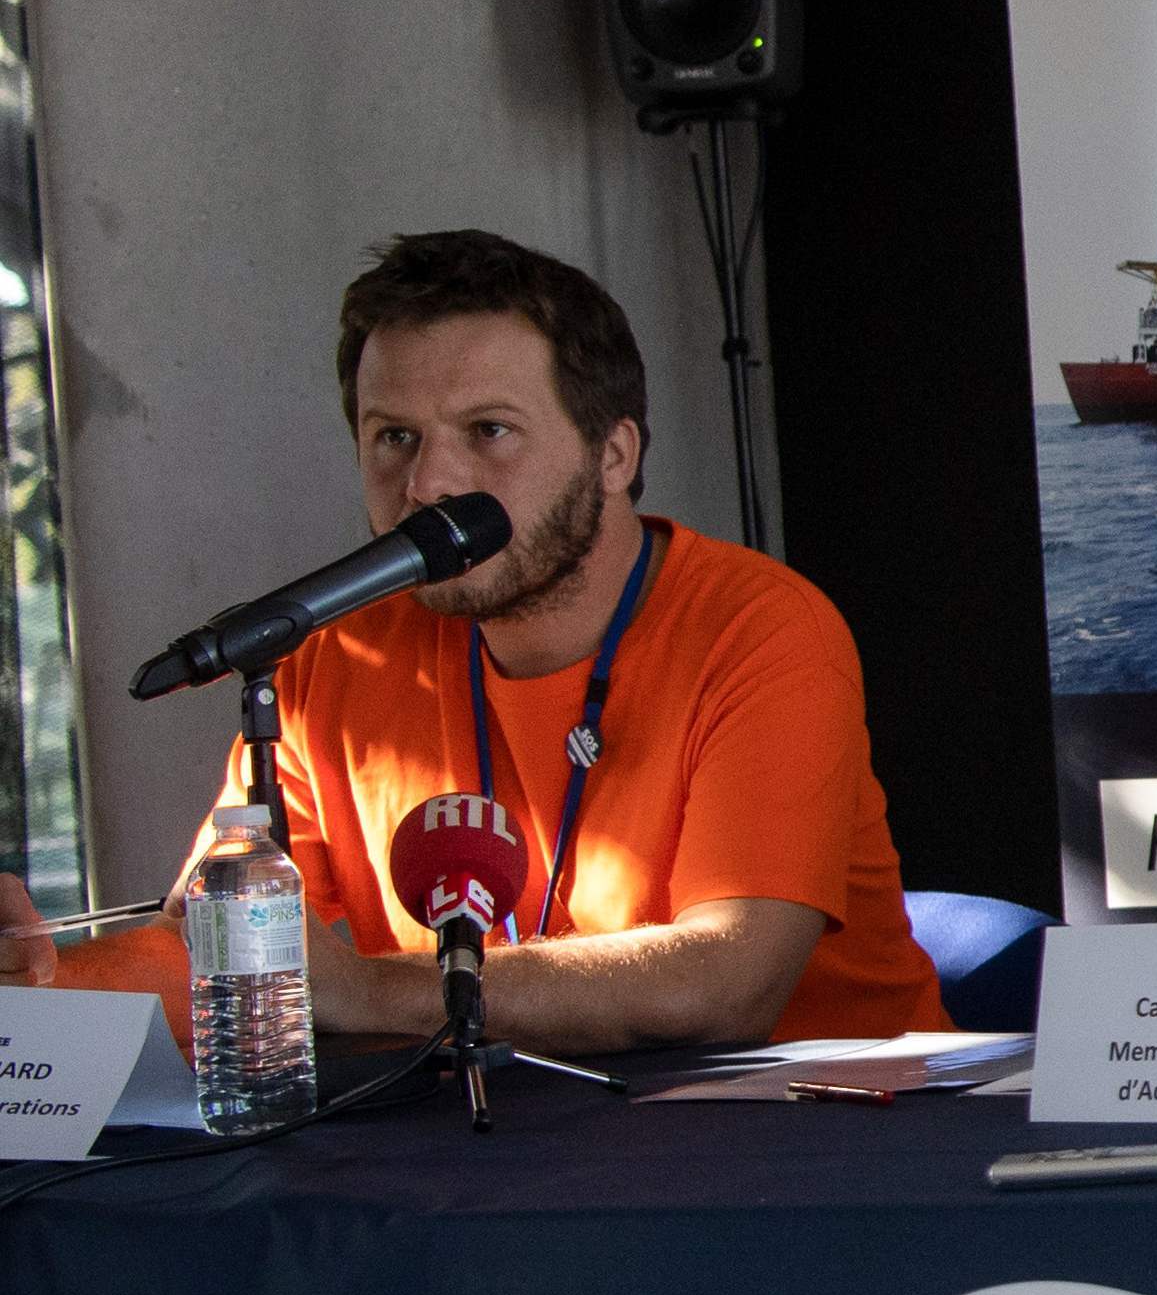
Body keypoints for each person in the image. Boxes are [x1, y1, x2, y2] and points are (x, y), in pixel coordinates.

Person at [43, 231, 945, 1050]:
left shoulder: (760, 629)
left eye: (489, 432)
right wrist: (43, 992)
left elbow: (726, 982)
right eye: (393, 436)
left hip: (808, 1160)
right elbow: (214, 953)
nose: (430, 481)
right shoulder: (335, 654)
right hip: (490, 1159)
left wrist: (372, 994)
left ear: (614, 455)